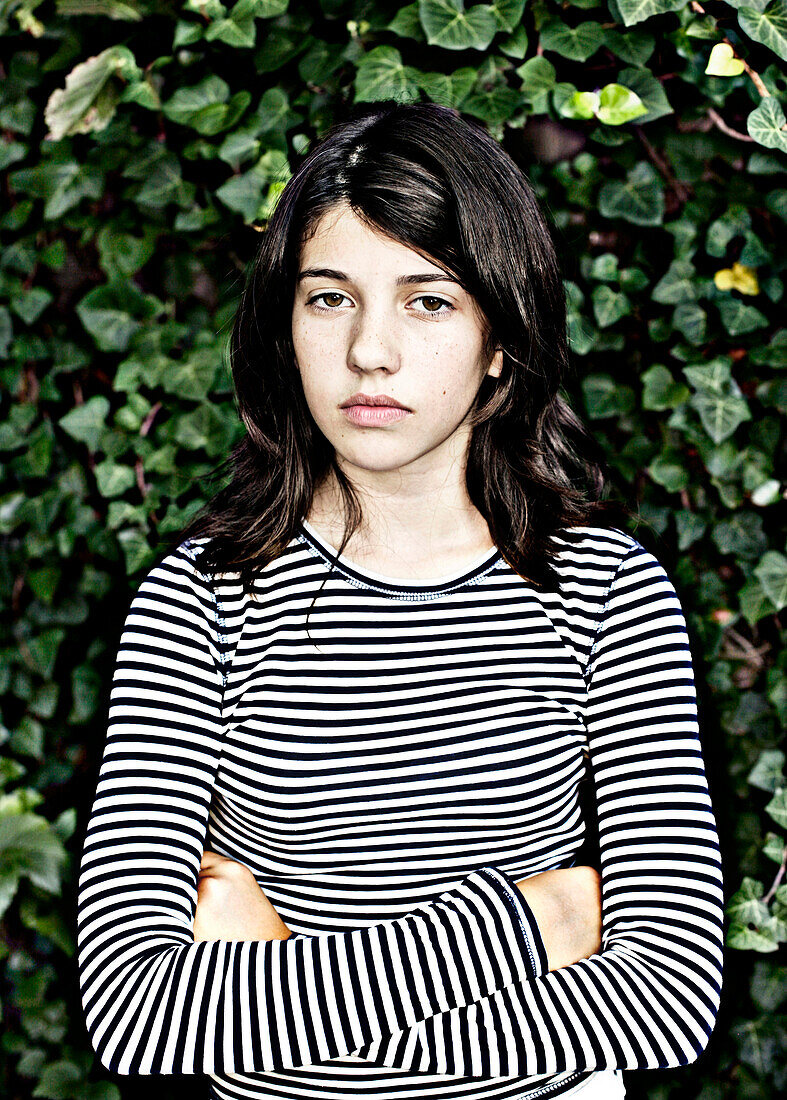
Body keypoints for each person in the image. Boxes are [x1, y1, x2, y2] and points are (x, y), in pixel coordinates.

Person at [76, 101, 724, 1100]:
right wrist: (536, 922)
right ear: (286, 327)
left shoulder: (608, 592)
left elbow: (670, 995)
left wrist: (257, 978)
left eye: (428, 301)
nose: (370, 352)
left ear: (501, 338)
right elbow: (127, 1004)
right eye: (329, 298)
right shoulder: (199, 601)